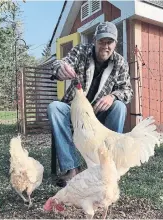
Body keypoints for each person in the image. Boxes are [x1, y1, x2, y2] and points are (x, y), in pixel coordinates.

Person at [47, 21, 133, 186]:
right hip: (75, 111)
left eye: (110, 42)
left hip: (99, 115)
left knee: (120, 107)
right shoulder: (81, 51)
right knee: (54, 108)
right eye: (101, 41)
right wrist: (60, 69)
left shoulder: (120, 63)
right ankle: (72, 168)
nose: (105, 46)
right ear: (95, 40)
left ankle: (108, 165)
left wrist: (113, 96)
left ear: (115, 43)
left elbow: (127, 91)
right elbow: (60, 63)